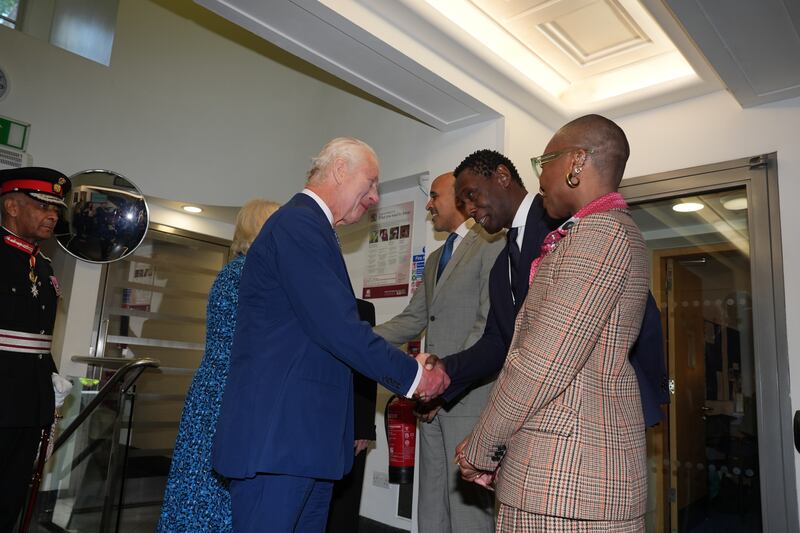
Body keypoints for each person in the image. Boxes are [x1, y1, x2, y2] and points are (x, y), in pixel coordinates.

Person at [212, 137, 450, 532]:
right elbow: (339, 329)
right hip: (280, 447)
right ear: (340, 170)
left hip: (303, 448)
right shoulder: (298, 223)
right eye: (371, 182)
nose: (374, 197)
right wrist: (414, 376)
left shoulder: (311, 228)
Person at [456, 114, 649, 531]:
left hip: (566, 481)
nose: (540, 176)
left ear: (577, 162)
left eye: (545, 162)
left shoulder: (600, 236)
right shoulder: (593, 235)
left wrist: (482, 446)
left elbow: (541, 365)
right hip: (562, 477)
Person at [422, 149, 667, 428]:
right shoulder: (502, 265)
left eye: (472, 195)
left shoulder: (566, 225)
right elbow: (498, 343)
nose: (469, 209)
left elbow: (638, 304)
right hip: (542, 416)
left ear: (502, 176)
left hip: (598, 409)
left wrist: (650, 393)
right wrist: (444, 371)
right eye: (462, 203)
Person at [373, 172, 504, 533]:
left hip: (467, 401)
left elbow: (487, 328)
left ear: (461, 198)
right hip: (430, 402)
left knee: (469, 513)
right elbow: (412, 320)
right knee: (431, 505)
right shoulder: (435, 259)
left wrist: (445, 388)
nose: (428, 204)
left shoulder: (493, 245)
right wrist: (358, 339)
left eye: (434, 196)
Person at [158, 198, 280, 533]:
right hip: (234, 395)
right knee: (221, 490)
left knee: (198, 485)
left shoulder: (230, 272)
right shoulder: (255, 276)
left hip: (211, 392)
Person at [0, 167, 71, 533]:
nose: (53, 215)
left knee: (11, 495)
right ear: (12, 205)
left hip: (30, 401)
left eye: (56, 209)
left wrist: (51, 381)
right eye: (43, 206)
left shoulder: (42, 264)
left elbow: (38, 337)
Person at [326, 299, 378, 533]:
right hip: (311, 424)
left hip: (350, 427)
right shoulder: (303, 301)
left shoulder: (362, 309)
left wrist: (363, 428)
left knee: (343, 510)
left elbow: (367, 372)